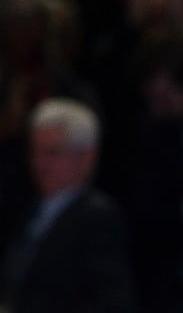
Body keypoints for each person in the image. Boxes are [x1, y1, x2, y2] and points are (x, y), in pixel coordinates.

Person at [0, 98, 136, 313]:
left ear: (86, 158)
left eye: (52, 153)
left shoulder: (97, 216)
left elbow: (110, 301)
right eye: (35, 152)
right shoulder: (30, 207)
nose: (39, 163)